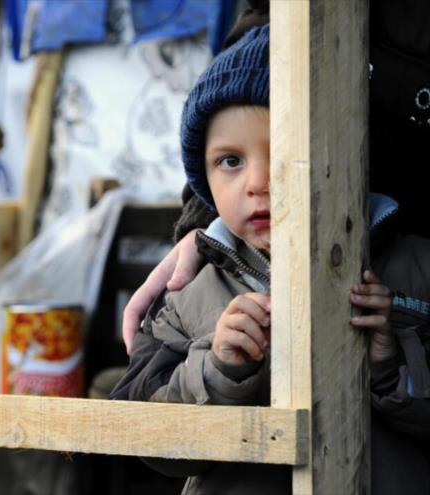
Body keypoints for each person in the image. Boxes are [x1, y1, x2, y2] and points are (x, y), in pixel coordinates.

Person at [111, 24, 430, 494]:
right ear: (203, 176)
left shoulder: (413, 268)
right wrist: (216, 371)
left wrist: (390, 366)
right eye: (230, 161)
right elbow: (145, 438)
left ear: (344, 154)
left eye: (284, 152)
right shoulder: (190, 294)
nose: (257, 182)